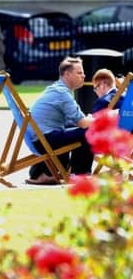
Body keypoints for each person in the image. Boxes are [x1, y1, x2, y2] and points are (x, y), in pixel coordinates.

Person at [26, 57, 94, 185]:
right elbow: (83, 123)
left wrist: (88, 120)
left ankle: (45, 172)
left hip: (39, 139)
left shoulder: (56, 88)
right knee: (89, 131)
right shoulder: (62, 93)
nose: (84, 76)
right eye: (79, 73)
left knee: (77, 130)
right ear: (67, 74)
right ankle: (80, 176)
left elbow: (75, 120)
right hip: (45, 140)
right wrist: (104, 118)